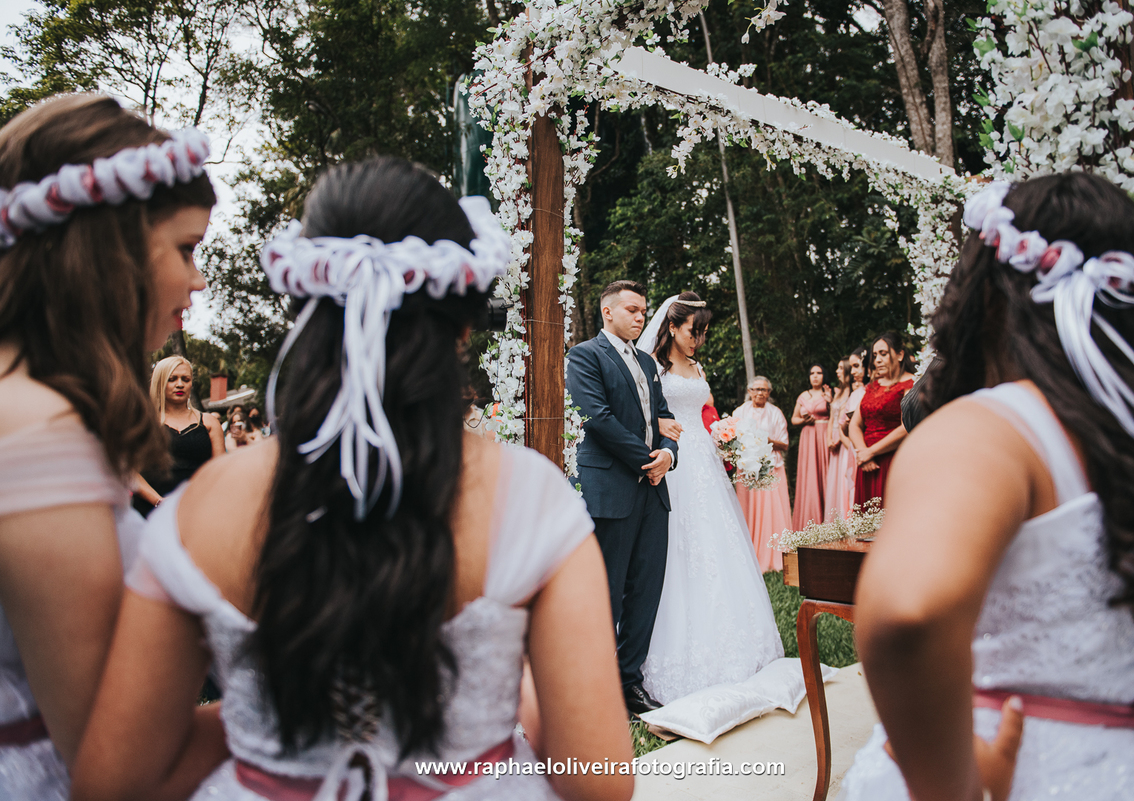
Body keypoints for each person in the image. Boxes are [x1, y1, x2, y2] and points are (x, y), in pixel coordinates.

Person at [72, 158, 633, 801]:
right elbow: (598, 783)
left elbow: (114, 782)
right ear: (463, 322)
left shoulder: (204, 508)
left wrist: (263, 733)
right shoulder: (532, 500)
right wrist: (522, 693)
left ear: (307, 307)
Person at [838, 173, 1134, 801]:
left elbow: (907, 612)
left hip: (1024, 772)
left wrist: (952, 788)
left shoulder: (995, 427)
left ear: (991, 294)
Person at [0, 94, 214, 799]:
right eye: (185, 248)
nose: (198, 280)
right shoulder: (37, 427)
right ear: (111, 245)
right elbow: (111, 763)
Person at [633, 293, 784, 704]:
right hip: (673, 462)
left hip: (707, 462)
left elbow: (708, 410)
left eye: (702, 333)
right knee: (679, 548)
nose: (698, 340)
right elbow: (646, 413)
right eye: (691, 331)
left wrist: (728, 436)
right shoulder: (652, 366)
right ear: (671, 327)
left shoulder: (697, 366)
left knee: (719, 546)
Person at [566, 280, 679, 715]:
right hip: (612, 490)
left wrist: (668, 455)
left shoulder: (650, 364)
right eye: (632, 309)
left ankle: (628, 684)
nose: (640, 316)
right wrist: (647, 459)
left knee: (645, 592)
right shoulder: (584, 356)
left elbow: (665, 419)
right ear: (607, 312)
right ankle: (591, 688)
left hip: (654, 491)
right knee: (606, 594)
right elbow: (598, 418)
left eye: (642, 310)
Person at [132, 356, 225, 516]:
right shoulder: (144, 422)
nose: (180, 384)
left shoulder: (209, 423)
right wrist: (158, 501)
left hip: (196, 510)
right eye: (172, 379)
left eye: (185, 379)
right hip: (149, 511)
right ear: (160, 382)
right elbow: (129, 470)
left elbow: (220, 471)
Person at [733, 376, 791, 572]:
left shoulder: (776, 413)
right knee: (747, 509)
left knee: (772, 511)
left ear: (769, 393)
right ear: (749, 391)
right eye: (756, 389)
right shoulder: (740, 412)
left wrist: (764, 440)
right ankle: (748, 551)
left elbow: (784, 444)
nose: (760, 393)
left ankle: (773, 552)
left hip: (771, 467)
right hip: (747, 469)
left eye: (764, 390)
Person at [849, 332, 915, 505]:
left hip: (893, 461)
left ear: (900, 354)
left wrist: (872, 452)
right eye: (875, 355)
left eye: (883, 354)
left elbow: (907, 427)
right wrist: (863, 452)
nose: (877, 359)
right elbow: (855, 425)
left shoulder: (912, 384)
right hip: (867, 464)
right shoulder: (873, 386)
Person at [791, 362, 832, 529]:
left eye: (819, 373)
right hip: (808, 436)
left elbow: (837, 414)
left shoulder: (830, 393)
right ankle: (811, 517)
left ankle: (828, 515)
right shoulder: (803, 396)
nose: (815, 376)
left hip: (824, 434)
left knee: (826, 471)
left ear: (824, 376)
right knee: (810, 474)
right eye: (812, 373)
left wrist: (830, 402)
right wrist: (803, 420)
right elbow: (794, 419)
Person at [823, 357, 858, 522]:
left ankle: (845, 518)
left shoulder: (852, 391)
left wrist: (839, 439)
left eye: (839, 368)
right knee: (834, 482)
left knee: (845, 478)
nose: (837, 371)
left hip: (844, 440)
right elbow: (832, 418)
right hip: (834, 441)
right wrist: (829, 438)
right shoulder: (838, 392)